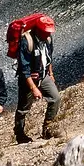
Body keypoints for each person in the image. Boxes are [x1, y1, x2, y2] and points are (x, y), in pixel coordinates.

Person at [14, 15, 62, 143]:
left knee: (55, 98)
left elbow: (48, 57)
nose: (48, 34)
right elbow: (24, 69)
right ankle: (20, 135)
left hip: (44, 75)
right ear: (39, 30)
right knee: (23, 109)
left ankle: (47, 128)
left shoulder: (48, 39)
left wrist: (50, 73)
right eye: (46, 32)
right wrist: (34, 88)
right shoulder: (26, 41)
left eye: (49, 32)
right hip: (28, 79)